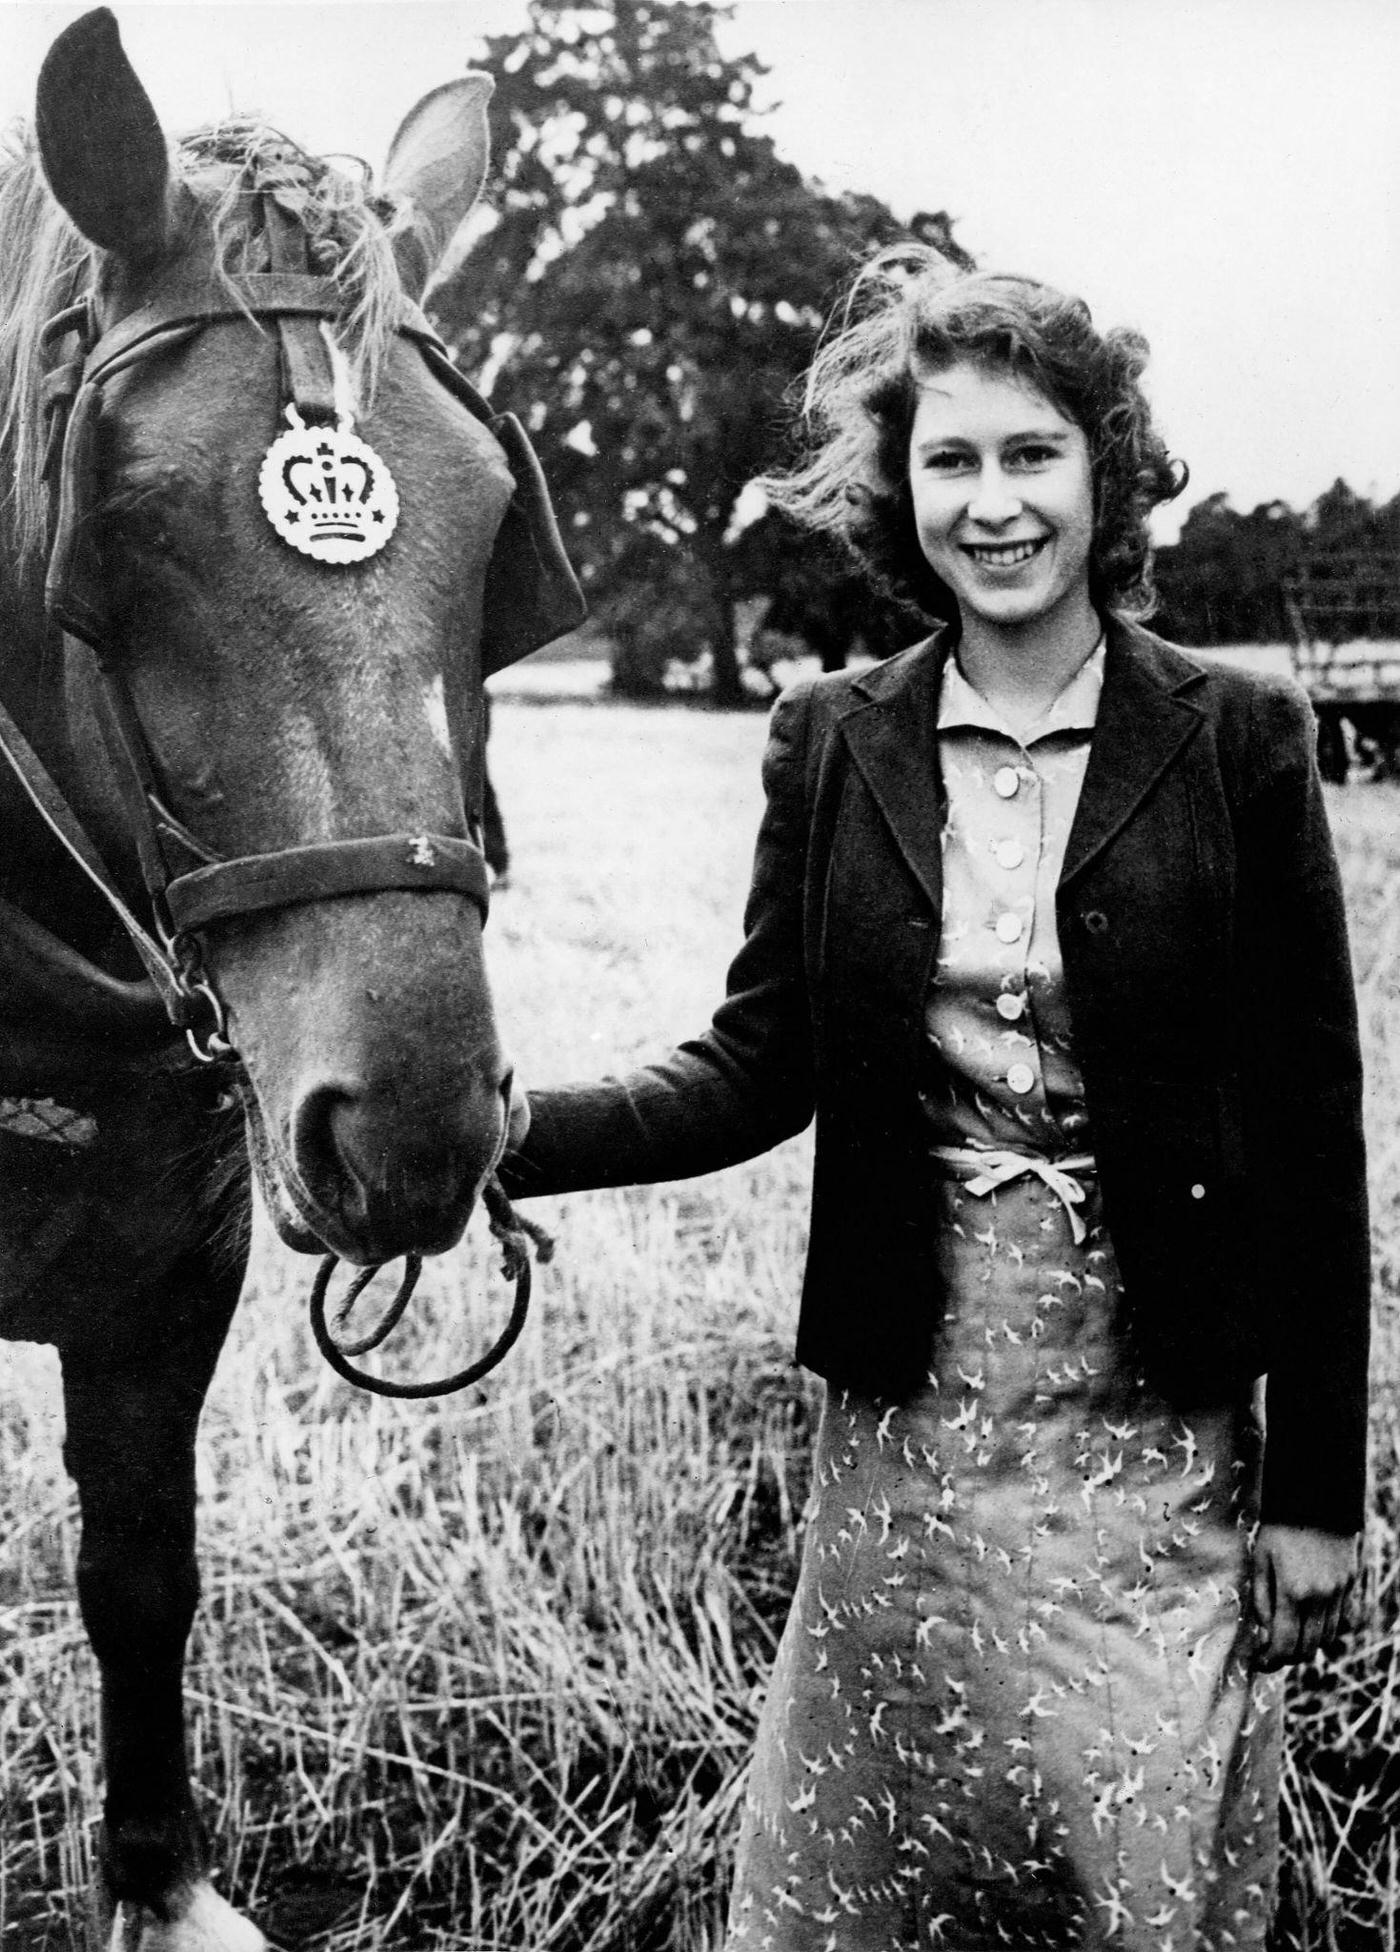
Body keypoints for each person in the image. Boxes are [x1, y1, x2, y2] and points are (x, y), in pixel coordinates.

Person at [500, 248, 1370, 1951]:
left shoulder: (1240, 739)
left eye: (1031, 454)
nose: (994, 504)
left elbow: (1315, 1137)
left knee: (1145, 1862)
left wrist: (1320, 1492)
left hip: (1157, 1433)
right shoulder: (833, 737)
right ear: (902, 492)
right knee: (886, 1880)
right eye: (951, 461)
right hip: (909, 1434)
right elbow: (758, 1063)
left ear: (1103, 473)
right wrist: (508, 1130)